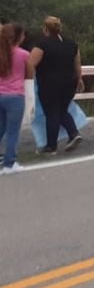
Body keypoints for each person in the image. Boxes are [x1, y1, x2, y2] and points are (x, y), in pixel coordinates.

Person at [29, 16, 84, 154]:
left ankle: (51, 146)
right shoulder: (72, 44)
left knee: (51, 113)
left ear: (45, 28)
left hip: (49, 83)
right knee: (62, 110)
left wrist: (29, 80)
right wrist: (79, 80)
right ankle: (73, 133)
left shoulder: (42, 44)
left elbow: (30, 64)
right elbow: (77, 65)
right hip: (69, 83)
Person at [0, 22, 33, 174]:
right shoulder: (24, 54)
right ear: (18, 37)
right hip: (15, 96)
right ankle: (9, 163)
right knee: (13, 132)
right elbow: (30, 74)